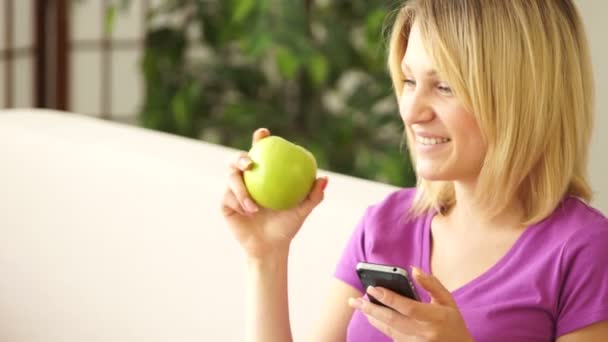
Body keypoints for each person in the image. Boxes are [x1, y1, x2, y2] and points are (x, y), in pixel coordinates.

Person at [220, 0, 608, 341]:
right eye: (409, 81)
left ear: (522, 97)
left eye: (445, 87)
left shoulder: (584, 251)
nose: (411, 111)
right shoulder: (386, 224)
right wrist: (266, 256)